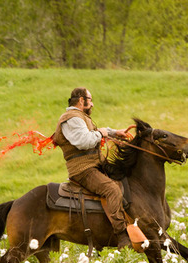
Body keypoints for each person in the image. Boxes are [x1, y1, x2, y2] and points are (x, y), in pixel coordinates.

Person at [52, 87, 132, 248]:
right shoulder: (71, 119)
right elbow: (84, 141)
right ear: (82, 100)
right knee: (112, 190)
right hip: (83, 170)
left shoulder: (79, 117)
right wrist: (102, 133)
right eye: (91, 100)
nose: (93, 104)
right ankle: (122, 235)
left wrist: (116, 133)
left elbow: (94, 132)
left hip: (95, 165)